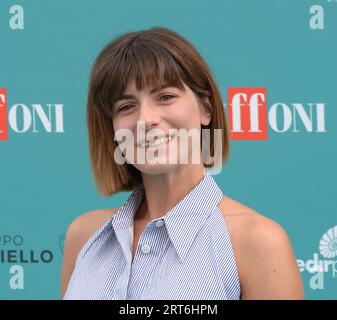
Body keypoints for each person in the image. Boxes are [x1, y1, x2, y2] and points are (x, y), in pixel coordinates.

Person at [61, 26, 304, 300]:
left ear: (206, 109)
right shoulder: (84, 235)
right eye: (126, 107)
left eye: (165, 97)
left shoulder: (258, 241)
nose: (145, 120)